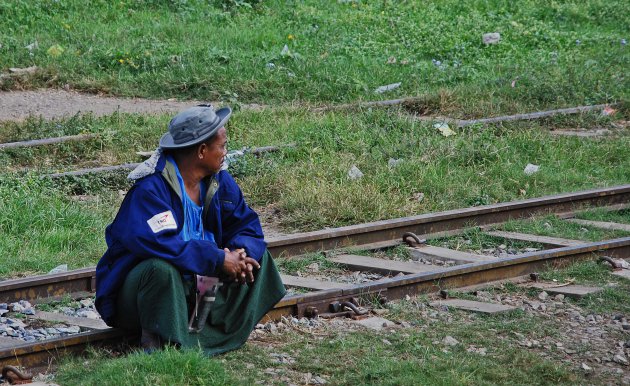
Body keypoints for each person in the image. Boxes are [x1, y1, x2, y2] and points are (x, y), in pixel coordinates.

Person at [95, 105, 286, 354]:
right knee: (160, 269)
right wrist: (218, 258)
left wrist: (240, 252)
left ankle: (201, 335)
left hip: (198, 291)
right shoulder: (151, 190)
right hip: (144, 299)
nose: (226, 152)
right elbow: (163, 245)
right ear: (202, 150)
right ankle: (160, 338)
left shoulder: (219, 181)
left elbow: (247, 224)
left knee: (259, 258)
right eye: (223, 145)